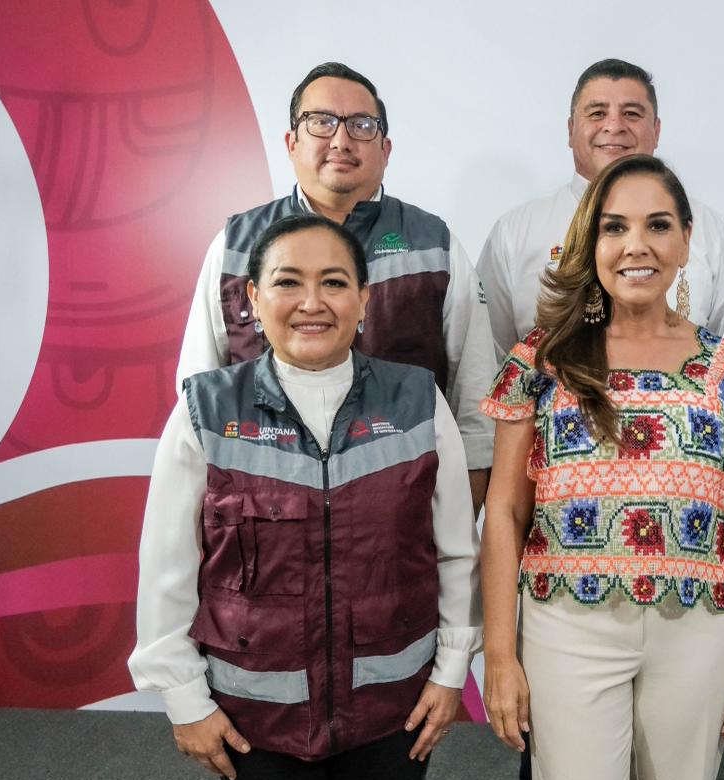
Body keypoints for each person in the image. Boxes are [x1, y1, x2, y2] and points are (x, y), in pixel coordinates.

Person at [129, 215, 482, 780]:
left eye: (335, 282)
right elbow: (168, 565)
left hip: (390, 712)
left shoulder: (417, 402)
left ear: (365, 300)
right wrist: (185, 699)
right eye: (288, 282)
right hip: (252, 718)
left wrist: (451, 671)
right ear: (251, 301)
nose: (312, 302)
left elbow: (456, 550)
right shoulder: (206, 410)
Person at [480, 154, 724, 780]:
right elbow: (504, 516)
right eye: (615, 227)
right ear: (591, 242)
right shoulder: (540, 361)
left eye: (657, 225)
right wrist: (499, 655)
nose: (636, 244)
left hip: (699, 631)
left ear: (686, 241)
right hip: (567, 628)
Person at [176, 61, 495, 522]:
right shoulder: (235, 246)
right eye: (321, 122)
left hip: (398, 530)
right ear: (292, 143)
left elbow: (475, 406)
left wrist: (451, 531)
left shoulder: (434, 246)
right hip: (263, 530)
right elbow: (195, 400)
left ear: (385, 149)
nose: (342, 140)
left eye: (362, 126)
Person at [478, 57, 724, 357]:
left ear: (656, 130)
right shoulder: (515, 232)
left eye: (632, 113)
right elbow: (487, 359)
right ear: (570, 130)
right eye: (597, 113)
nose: (614, 126)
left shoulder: (709, 230)